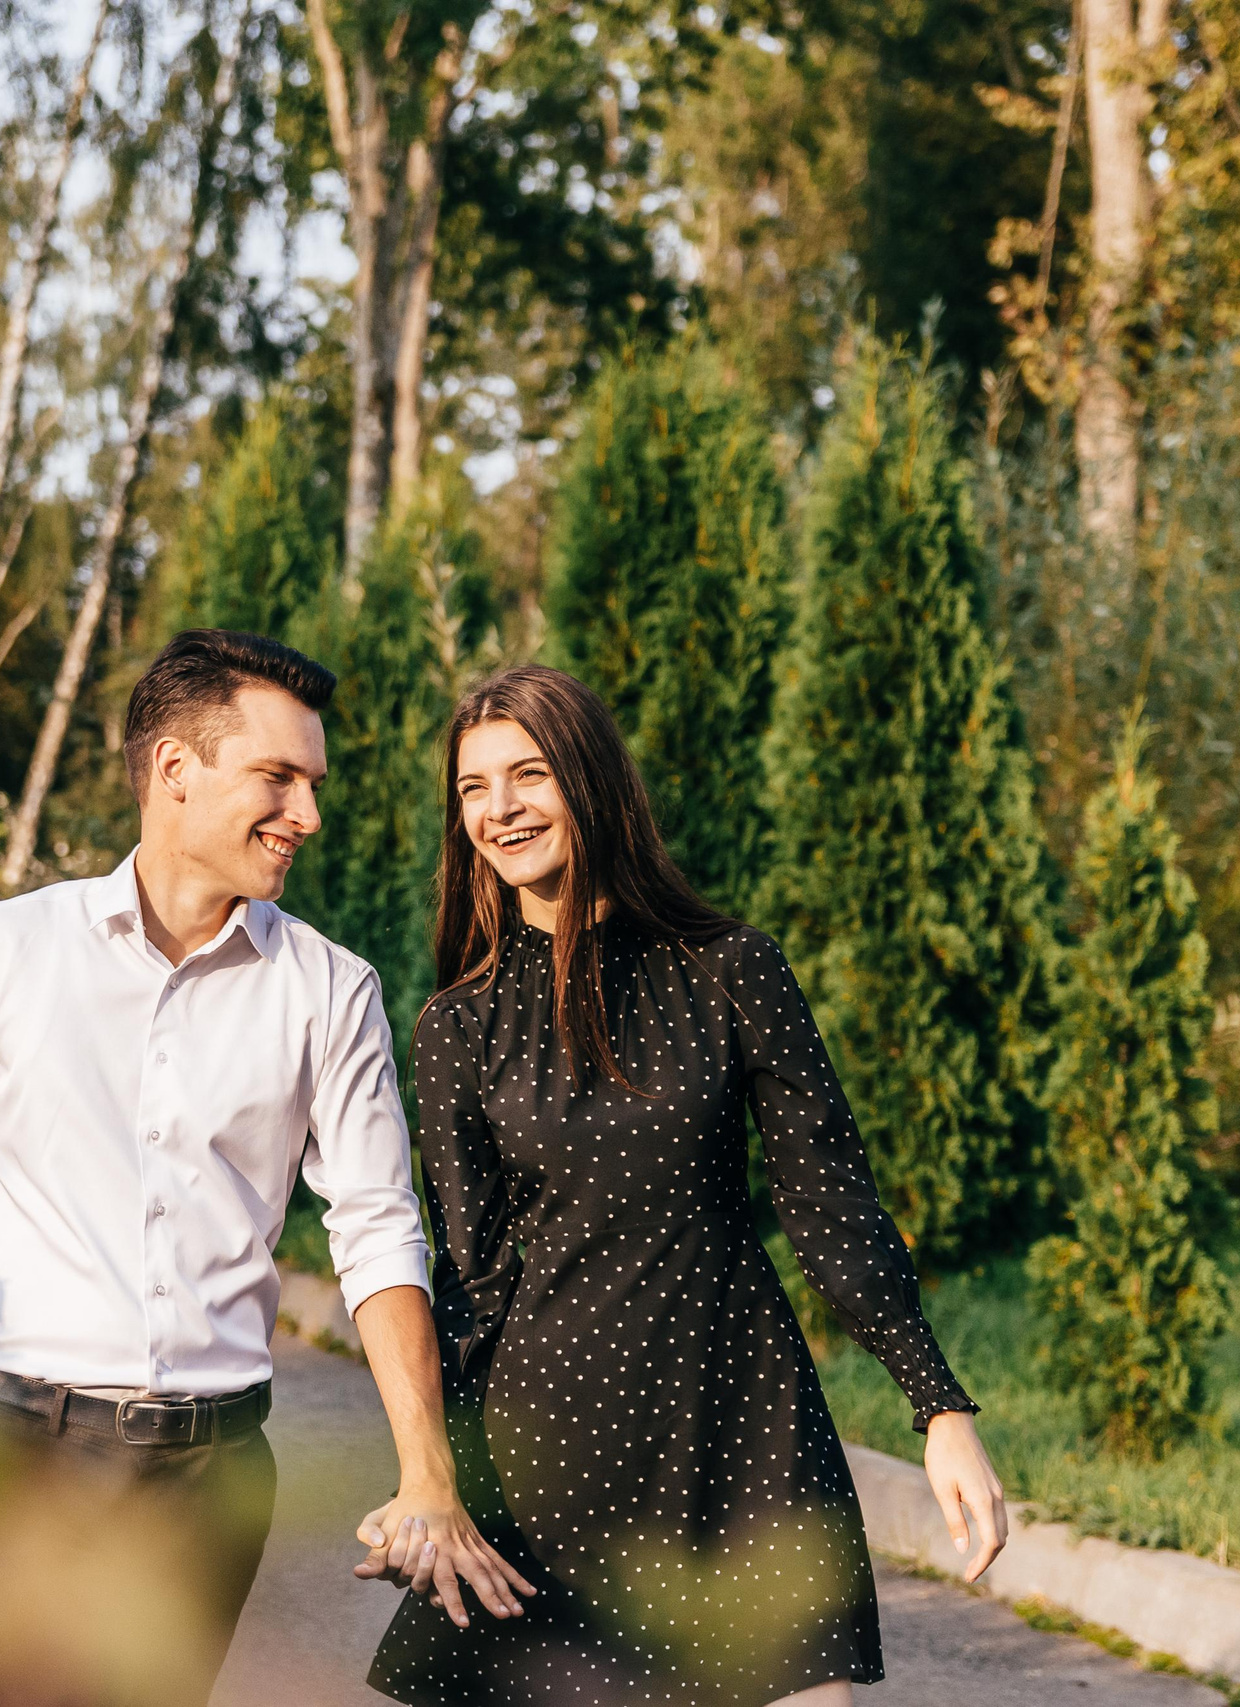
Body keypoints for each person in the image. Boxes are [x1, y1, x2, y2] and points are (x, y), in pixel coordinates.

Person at [0, 629, 533, 1707]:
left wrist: (425, 1471)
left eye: (313, 783)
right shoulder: (1, 950)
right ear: (172, 771)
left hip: (211, 1471)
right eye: (277, 778)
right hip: (17, 1451)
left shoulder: (328, 991)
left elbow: (378, 1228)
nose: (309, 814)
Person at [359, 665, 1008, 1707]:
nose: (500, 809)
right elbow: (469, 1281)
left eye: (528, 775)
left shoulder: (730, 968)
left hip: (741, 1425)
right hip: (554, 1452)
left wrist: (938, 1406)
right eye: (473, 788)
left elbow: (829, 1200)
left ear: (591, 781)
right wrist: (432, 1483)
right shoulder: (457, 1025)